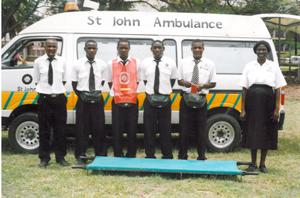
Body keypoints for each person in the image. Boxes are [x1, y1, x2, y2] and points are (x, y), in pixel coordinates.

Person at [240, 40, 287, 173]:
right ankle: (253, 163)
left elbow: (278, 88)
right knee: (252, 131)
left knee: (267, 132)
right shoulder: (249, 66)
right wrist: (243, 109)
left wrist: (277, 108)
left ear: (267, 51)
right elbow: (244, 88)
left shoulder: (273, 66)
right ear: (256, 51)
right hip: (252, 101)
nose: (261, 52)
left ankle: (262, 164)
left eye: (264, 50)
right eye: (259, 50)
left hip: (268, 102)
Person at [177, 39, 216, 160]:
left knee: (201, 129)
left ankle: (201, 156)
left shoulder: (210, 64)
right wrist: (186, 83)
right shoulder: (183, 63)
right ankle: (182, 156)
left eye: (200, 48)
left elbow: (213, 83)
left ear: (203, 49)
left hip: (201, 100)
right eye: (195, 48)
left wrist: (202, 86)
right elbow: (179, 80)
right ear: (191, 49)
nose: (197, 50)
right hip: (186, 99)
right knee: (184, 129)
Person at [33, 38, 69, 167]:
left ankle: (60, 157)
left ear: (57, 48)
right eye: (49, 46)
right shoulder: (38, 62)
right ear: (44, 47)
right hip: (44, 100)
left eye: (54, 46)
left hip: (59, 99)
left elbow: (63, 80)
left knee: (61, 130)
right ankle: (44, 158)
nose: (51, 49)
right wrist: (48, 91)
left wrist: (55, 91)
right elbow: (37, 81)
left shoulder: (62, 61)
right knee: (44, 130)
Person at [71, 40, 107, 165]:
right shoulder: (77, 64)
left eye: (94, 48)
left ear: (96, 49)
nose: (92, 50)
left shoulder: (102, 64)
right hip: (83, 100)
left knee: (99, 128)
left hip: (97, 99)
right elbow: (74, 84)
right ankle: (81, 155)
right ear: (85, 49)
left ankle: (101, 155)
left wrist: (94, 94)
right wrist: (83, 96)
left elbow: (102, 82)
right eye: (89, 48)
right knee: (82, 128)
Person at [141, 40, 178, 159]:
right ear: (151, 49)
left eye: (159, 48)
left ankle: (167, 154)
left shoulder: (170, 62)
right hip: (150, 99)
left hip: (165, 100)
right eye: (155, 47)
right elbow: (145, 80)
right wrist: (153, 92)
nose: (157, 50)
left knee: (165, 129)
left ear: (163, 49)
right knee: (149, 129)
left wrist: (163, 91)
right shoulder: (145, 63)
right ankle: (150, 155)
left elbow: (172, 81)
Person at [107, 39, 140, 157]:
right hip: (117, 101)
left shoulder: (137, 62)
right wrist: (119, 93)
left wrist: (129, 93)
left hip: (132, 101)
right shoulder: (111, 63)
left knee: (132, 129)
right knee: (117, 130)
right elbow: (110, 82)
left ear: (129, 49)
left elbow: (139, 80)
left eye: (126, 48)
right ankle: (118, 153)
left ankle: (131, 154)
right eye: (121, 48)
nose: (123, 50)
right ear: (117, 48)